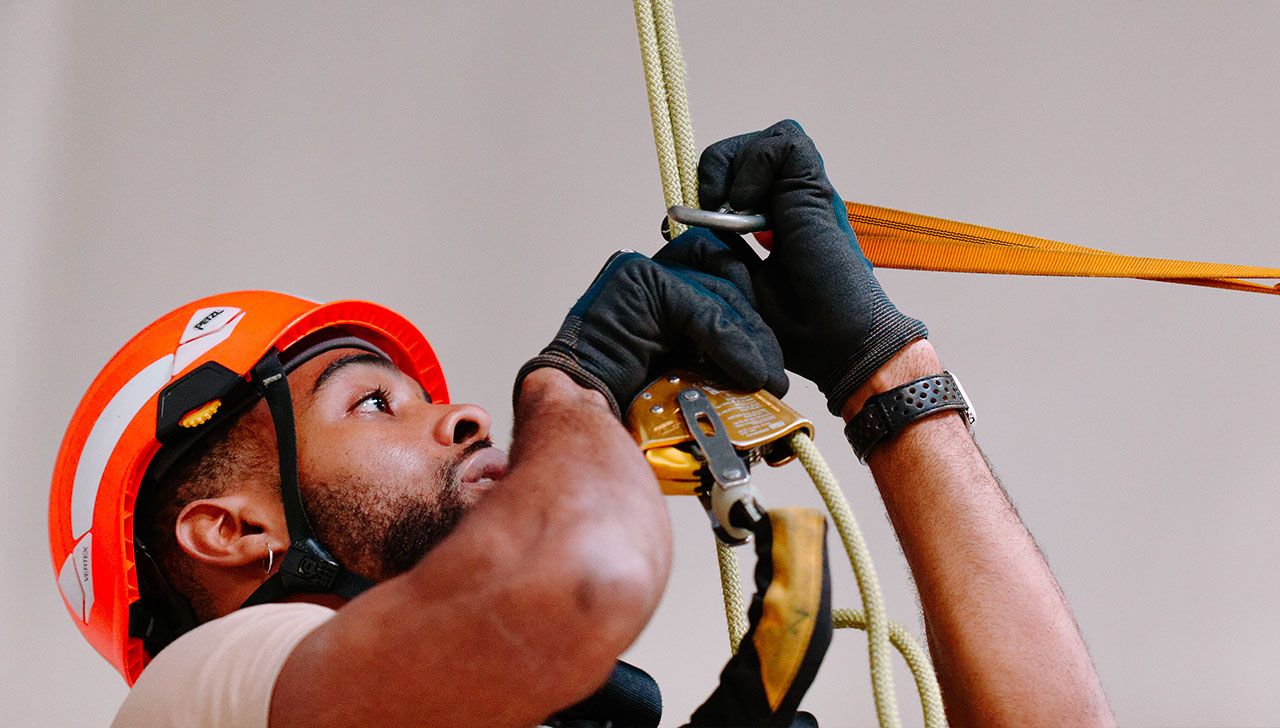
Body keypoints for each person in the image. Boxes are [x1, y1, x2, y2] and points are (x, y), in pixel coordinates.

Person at [49, 121, 1115, 727]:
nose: (460, 416)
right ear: (229, 531)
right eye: (372, 401)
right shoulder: (201, 698)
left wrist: (886, 379)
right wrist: (573, 382)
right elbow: (579, 583)